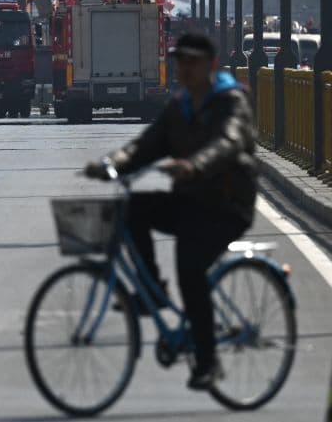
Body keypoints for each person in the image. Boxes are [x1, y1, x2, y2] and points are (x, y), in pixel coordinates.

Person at [85, 32, 256, 391]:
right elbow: (145, 146)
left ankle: (208, 363)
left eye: (192, 62)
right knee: (133, 209)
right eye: (180, 62)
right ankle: (155, 293)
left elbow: (228, 143)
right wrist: (110, 163)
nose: (184, 69)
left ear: (211, 65)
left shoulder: (230, 101)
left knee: (190, 269)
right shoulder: (179, 107)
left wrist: (194, 166)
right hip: (192, 202)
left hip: (227, 206)